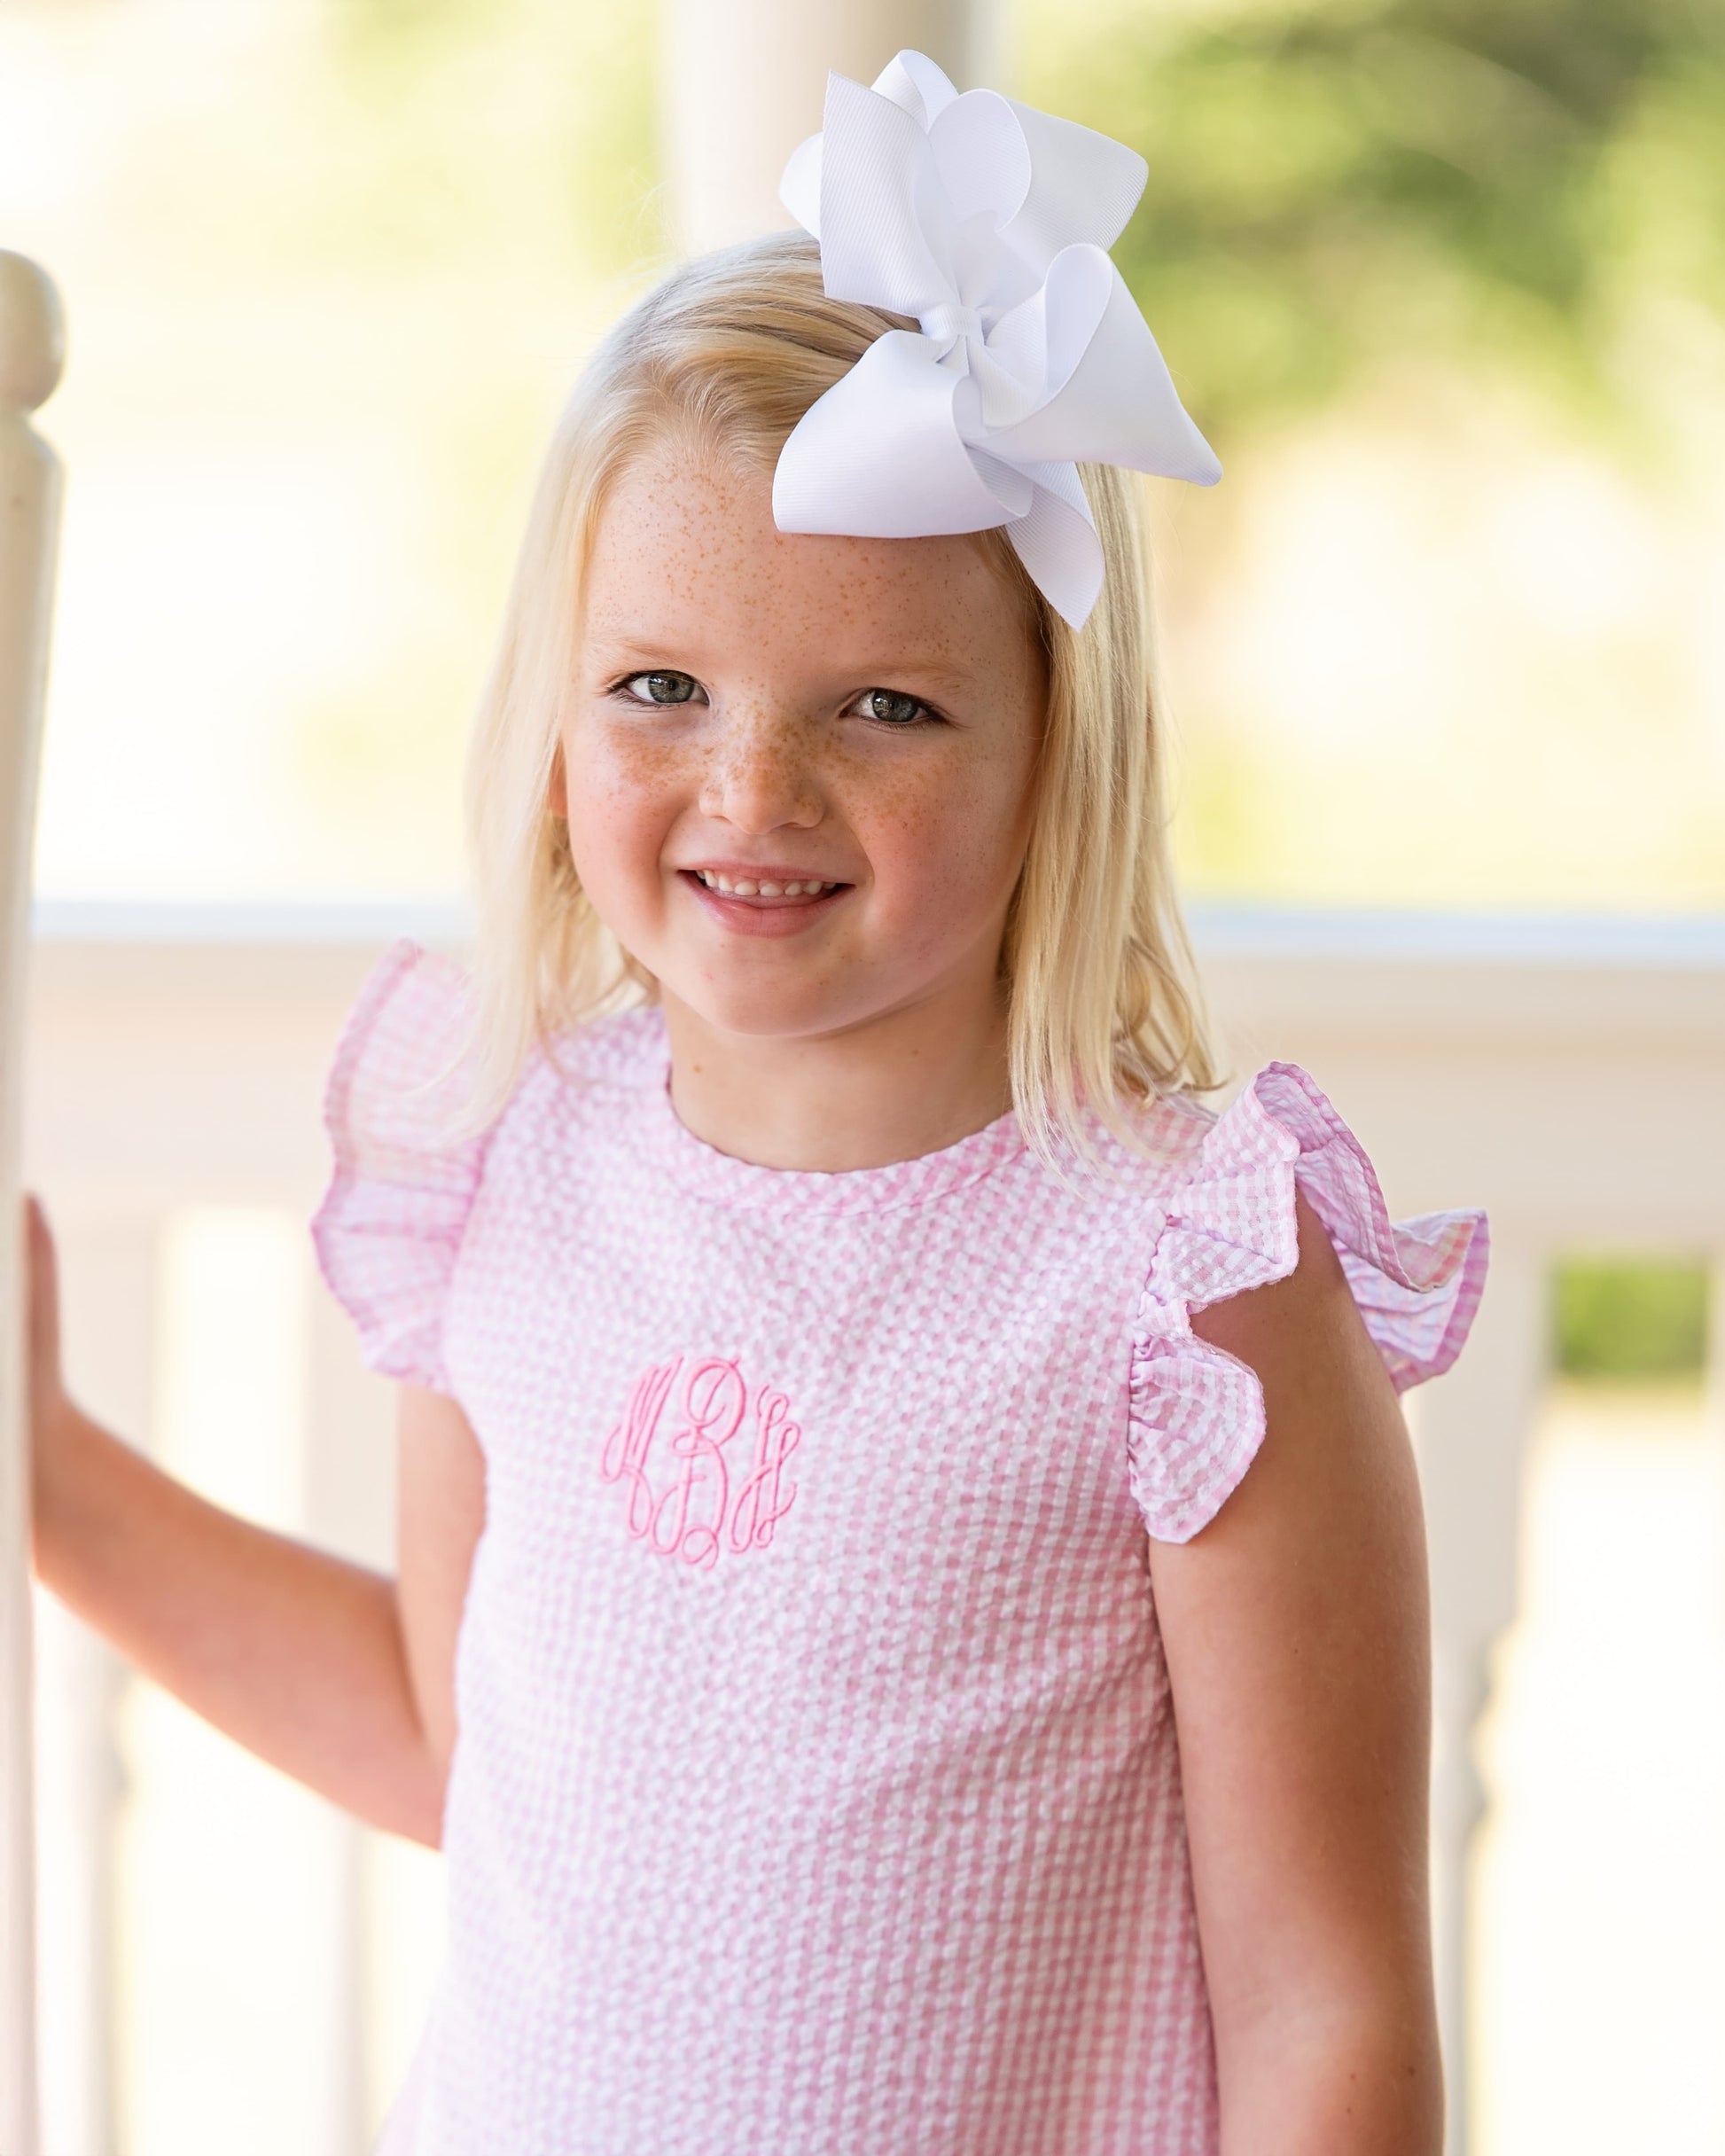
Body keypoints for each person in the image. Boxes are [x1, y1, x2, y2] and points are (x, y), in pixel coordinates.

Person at [25, 52, 1487, 2156]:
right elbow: (449, 1733)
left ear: (1051, 750)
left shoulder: (1189, 1284)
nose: (753, 789)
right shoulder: (509, 1159)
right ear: (551, 705)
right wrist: (52, 1472)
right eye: (657, 690)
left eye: (882, 708)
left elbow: (1322, 2003)